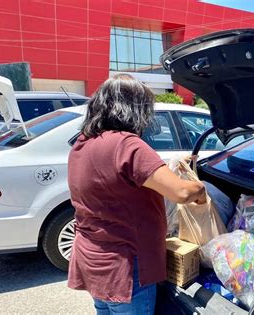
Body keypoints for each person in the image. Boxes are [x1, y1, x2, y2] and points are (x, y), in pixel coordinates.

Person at [67, 73, 206, 314]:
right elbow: (182, 192)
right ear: (135, 109)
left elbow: (121, 178)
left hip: (94, 260)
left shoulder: (83, 142)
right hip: (125, 269)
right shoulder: (127, 144)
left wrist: (174, 164)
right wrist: (200, 190)